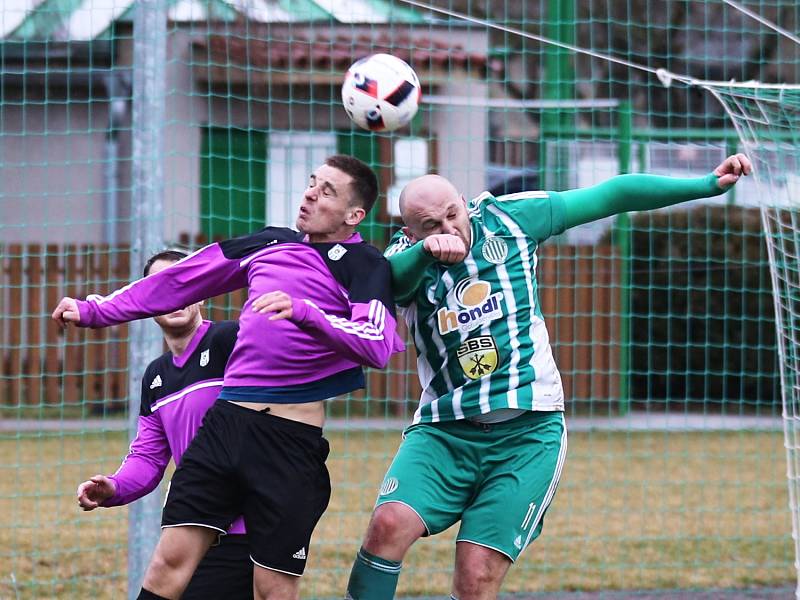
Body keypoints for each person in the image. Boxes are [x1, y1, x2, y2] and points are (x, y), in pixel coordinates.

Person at [346, 154, 753, 600]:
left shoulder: (510, 219)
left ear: (464, 203)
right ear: (409, 232)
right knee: (387, 525)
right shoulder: (400, 258)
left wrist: (705, 184)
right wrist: (425, 253)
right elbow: (392, 284)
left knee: (476, 573)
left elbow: (613, 194)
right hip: (445, 431)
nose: (448, 230)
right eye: (430, 225)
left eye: (452, 215)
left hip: (529, 432)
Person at [53, 154, 405, 600]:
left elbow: (375, 342)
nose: (310, 194)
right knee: (166, 566)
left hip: (288, 439)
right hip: (225, 425)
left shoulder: (365, 265)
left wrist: (305, 313)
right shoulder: (268, 244)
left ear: (354, 215)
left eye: (328, 191)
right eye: (312, 183)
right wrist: (95, 310)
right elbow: (179, 279)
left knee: (271, 590)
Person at [75, 249, 251, 598]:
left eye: (183, 282)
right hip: (194, 525)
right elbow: (149, 457)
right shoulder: (156, 376)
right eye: (163, 286)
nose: (175, 294)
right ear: (147, 301)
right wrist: (113, 487)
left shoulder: (230, 341)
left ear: (202, 292)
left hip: (247, 526)